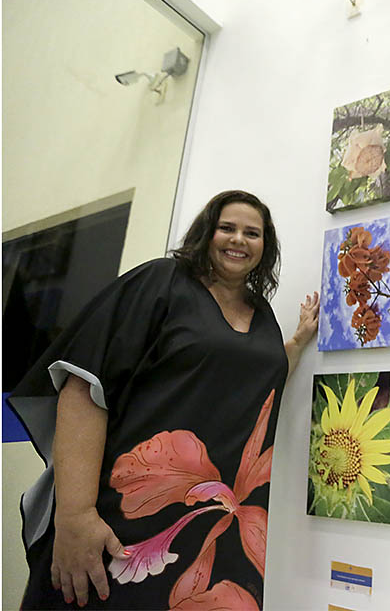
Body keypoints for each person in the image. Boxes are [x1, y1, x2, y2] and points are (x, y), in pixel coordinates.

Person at [9, 190, 320, 610]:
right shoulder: (160, 282)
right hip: (128, 517)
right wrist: (76, 516)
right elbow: (83, 385)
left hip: (222, 527)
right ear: (206, 231)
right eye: (227, 227)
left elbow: (255, 376)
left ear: (266, 247)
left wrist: (298, 342)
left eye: (253, 233)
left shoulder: (261, 314)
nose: (239, 239)